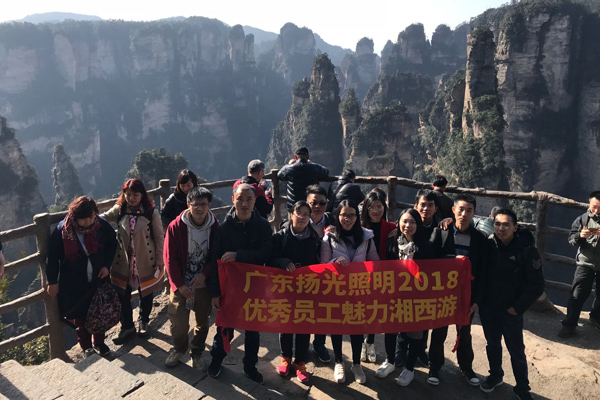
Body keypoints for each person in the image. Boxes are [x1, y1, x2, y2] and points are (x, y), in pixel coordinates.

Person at [208, 184, 273, 383]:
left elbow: (267, 253)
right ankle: (217, 359)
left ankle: (250, 366)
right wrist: (215, 292)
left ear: (255, 201)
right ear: (233, 200)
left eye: (249, 199)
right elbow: (214, 261)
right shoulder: (223, 229)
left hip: (254, 286)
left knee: (253, 329)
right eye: (240, 199)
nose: (244, 204)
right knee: (224, 326)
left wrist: (239, 256)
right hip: (230, 288)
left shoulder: (263, 226)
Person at [479, 209, 544, 400]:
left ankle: (522, 388)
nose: (501, 228)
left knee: (516, 350)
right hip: (489, 307)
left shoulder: (527, 250)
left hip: (511, 310)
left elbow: (537, 285)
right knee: (492, 344)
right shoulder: (489, 244)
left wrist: (517, 308)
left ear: (515, 227)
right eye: (497, 224)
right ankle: (495, 375)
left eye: (506, 224)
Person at [427, 194, 487, 387]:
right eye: (461, 209)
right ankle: (435, 366)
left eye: (469, 210)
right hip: (443, 291)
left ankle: (466, 367)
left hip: (466, 293)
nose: (464, 214)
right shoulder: (441, 233)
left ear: (474, 213)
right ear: (453, 210)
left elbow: (482, 271)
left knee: (465, 331)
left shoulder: (479, 239)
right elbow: (430, 262)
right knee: (439, 330)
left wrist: (477, 299)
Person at [46, 196, 118, 357]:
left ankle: (100, 343)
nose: (88, 221)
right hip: (74, 282)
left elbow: (112, 244)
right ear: (75, 217)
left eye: (91, 217)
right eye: (83, 219)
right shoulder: (62, 231)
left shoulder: (100, 225)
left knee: (99, 311)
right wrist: (52, 281)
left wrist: (106, 266)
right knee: (80, 316)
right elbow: (53, 257)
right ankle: (86, 348)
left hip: (98, 279)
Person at [321, 200, 379, 384]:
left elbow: (375, 262)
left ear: (357, 216)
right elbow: (322, 266)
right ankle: (339, 361)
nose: (347, 219)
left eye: (352, 215)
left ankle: (356, 364)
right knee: (337, 328)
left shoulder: (367, 237)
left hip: (359, 290)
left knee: (357, 329)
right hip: (336, 291)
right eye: (343, 215)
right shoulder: (329, 238)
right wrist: (334, 263)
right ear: (338, 216)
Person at [102, 178, 165, 344]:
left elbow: (160, 237)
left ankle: (143, 320)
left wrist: (160, 260)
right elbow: (102, 219)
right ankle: (127, 326)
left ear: (142, 194)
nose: (131, 198)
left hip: (145, 259)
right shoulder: (120, 209)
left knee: (146, 292)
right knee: (122, 294)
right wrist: (85, 216)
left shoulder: (151, 212)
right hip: (123, 260)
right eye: (128, 194)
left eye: (135, 195)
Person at [164, 186, 219, 370]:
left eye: (204, 204)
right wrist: (179, 284)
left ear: (209, 205)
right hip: (182, 282)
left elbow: (216, 255)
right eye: (196, 204)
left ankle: (196, 352)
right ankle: (179, 348)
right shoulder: (176, 226)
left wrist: (205, 273)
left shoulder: (215, 226)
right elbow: (169, 258)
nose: (200, 208)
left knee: (202, 321)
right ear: (188, 204)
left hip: (203, 283)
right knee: (178, 321)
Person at [271, 201, 321, 383]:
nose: (302, 217)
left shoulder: (314, 238)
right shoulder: (280, 237)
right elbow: (270, 259)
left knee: (303, 326)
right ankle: (285, 357)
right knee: (285, 325)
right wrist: (283, 262)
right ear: (291, 214)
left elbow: (319, 262)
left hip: (306, 289)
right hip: (285, 288)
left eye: (306, 214)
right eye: (298, 213)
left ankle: (300, 362)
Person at [385, 208, 434, 386]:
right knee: (390, 330)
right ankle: (390, 361)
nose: (408, 225)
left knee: (415, 334)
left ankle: (409, 368)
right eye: (404, 221)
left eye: (412, 222)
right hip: (394, 295)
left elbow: (432, 273)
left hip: (416, 298)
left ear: (418, 225)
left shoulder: (425, 246)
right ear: (399, 222)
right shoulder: (392, 242)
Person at [395, 189, 439, 367]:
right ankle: (400, 352)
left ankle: (419, 352)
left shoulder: (438, 229)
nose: (426, 209)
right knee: (400, 322)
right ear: (416, 206)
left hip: (420, 289)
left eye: (430, 205)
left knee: (420, 323)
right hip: (399, 289)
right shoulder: (396, 239)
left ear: (436, 208)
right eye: (423, 205)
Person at [360, 190, 395, 364]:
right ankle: (360, 343)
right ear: (366, 209)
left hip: (382, 275)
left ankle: (370, 342)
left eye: (379, 206)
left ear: (384, 207)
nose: (375, 210)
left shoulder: (391, 228)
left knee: (375, 310)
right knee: (361, 310)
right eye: (372, 207)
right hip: (360, 275)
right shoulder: (358, 226)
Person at [558, 191, 600, 338]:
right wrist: (580, 236)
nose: (596, 211)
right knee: (577, 294)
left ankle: (596, 318)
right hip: (585, 263)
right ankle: (569, 325)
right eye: (594, 207)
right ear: (589, 203)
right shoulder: (582, 219)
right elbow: (571, 240)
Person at [305, 184, 334, 363]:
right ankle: (301, 346)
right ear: (306, 202)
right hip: (304, 274)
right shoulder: (297, 220)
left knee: (323, 311)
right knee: (303, 310)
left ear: (327, 204)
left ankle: (319, 344)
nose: (317, 206)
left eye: (321, 203)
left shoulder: (333, 221)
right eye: (313, 202)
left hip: (326, 275)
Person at [277, 147, 329, 211]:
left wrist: (289, 164)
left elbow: (279, 175)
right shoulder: (315, 168)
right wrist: (311, 163)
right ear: (308, 157)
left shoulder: (288, 168)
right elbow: (326, 172)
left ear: (296, 157)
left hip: (293, 204)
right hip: (310, 205)